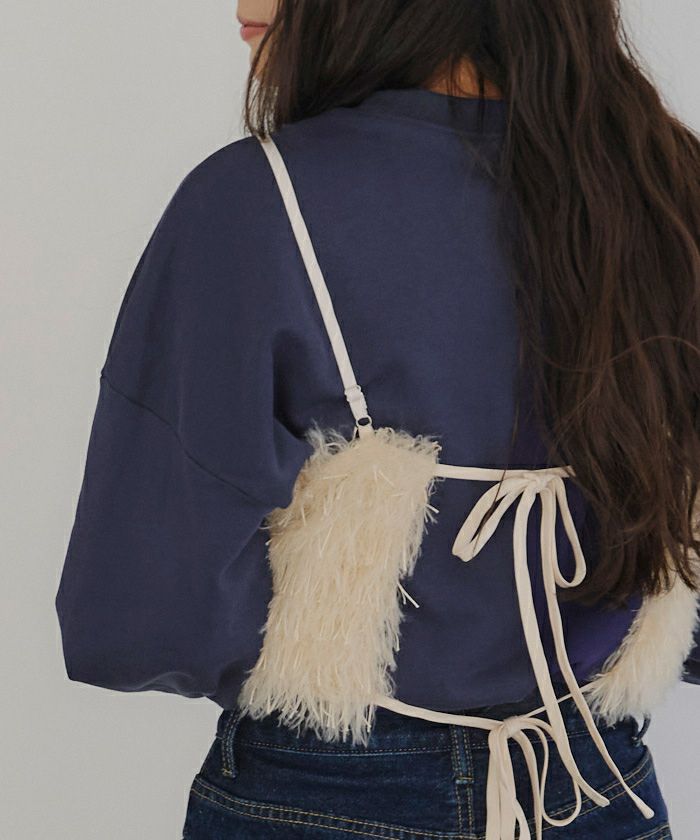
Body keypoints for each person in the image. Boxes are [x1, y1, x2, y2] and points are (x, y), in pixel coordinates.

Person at [55, 1, 700, 838]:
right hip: (597, 792)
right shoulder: (668, 190)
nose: (242, 3)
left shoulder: (259, 199)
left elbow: (142, 611)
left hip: (329, 796)